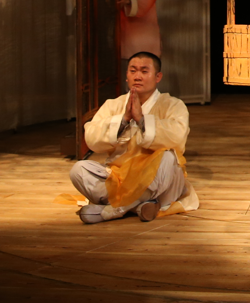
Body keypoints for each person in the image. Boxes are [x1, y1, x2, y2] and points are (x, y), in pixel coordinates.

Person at [70, 51, 198, 224]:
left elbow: (177, 138)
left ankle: (115, 210)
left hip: (159, 181)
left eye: (144, 71)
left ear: (158, 77)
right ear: (126, 76)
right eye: (133, 71)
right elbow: (92, 138)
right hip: (120, 178)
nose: (137, 76)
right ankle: (141, 206)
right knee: (78, 170)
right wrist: (123, 120)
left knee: (169, 158)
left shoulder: (173, 105)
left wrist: (142, 121)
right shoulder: (113, 105)